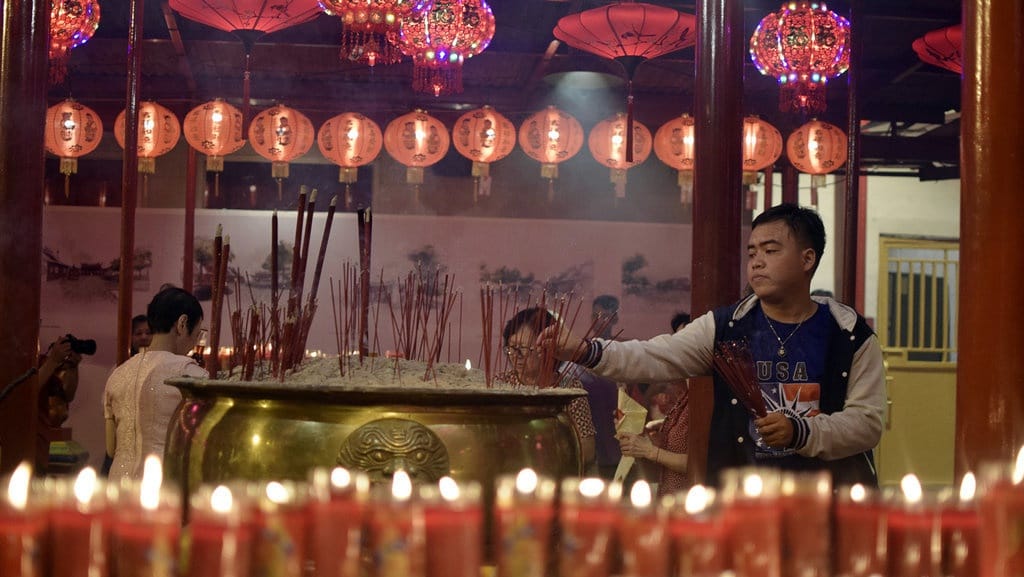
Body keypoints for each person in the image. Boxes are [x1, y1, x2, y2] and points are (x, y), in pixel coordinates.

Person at [542, 203, 885, 487]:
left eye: (771, 250)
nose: (757, 261)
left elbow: (867, 424)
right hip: (743, 498)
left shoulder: (848, 334)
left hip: (828, 502)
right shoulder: (725, 327)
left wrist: (801, 430)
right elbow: (654, 355)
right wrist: (585, 350)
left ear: (807, 260)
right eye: (752, 252)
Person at [103, 287, 207, 481]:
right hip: (163, 485)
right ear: (183, 324)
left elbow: (111, 448)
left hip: (118, 484)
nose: (195, 342)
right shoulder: (191, 374)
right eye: (198, 332)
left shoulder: (117, 374)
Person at [499, 307, 597, 470]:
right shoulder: (500, 385)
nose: (515, 357)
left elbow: (587, 450)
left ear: (547, 349)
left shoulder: (568, 389)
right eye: (510, 349)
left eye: (523, 350)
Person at [579, 295, 623, 479]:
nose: (599, 321)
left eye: (605, 316)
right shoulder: (580, 348)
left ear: (615, 319)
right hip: (589, 426)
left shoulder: (623, 349)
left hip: (615, 428)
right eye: (595, 315)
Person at [37, 336, 82, 428]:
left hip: (50, 430)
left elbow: (68, 396)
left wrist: (73, 366)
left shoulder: (42, 361)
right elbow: (25, 393)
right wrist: (53, 360)